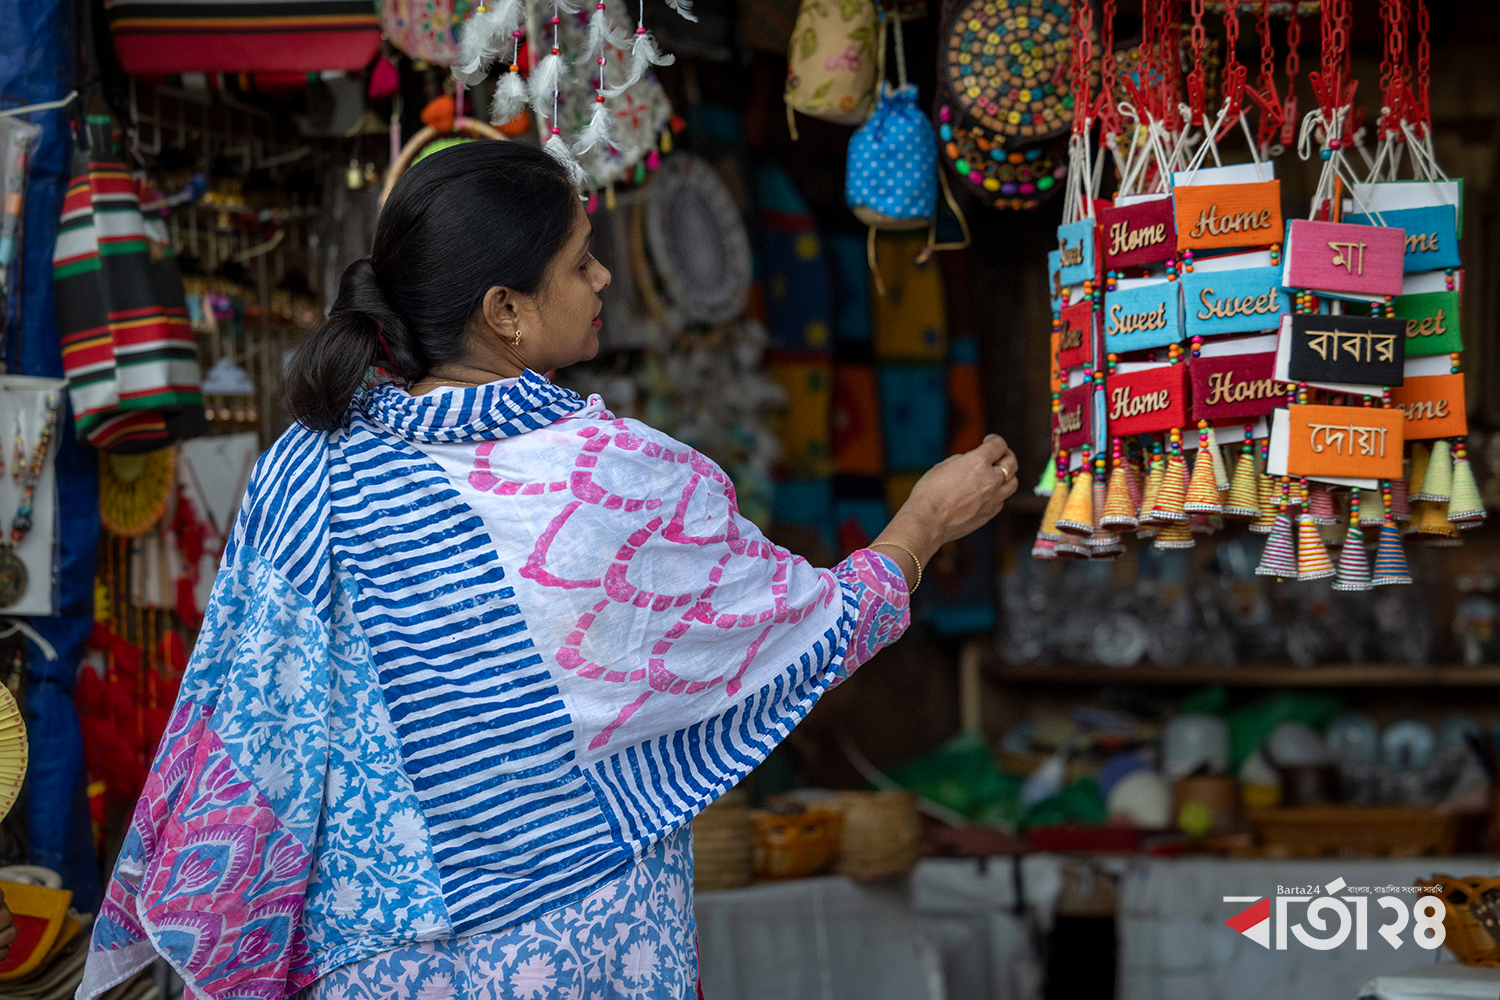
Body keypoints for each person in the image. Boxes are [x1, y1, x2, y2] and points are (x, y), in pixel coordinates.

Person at [77, 141, 1017, 1000]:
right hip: (578, 959)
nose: (605, 276)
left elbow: (241, 733)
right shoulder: (615, 482)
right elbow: (812, 626)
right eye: (580, 261)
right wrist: (926, 522)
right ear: (506, 314)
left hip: (367, 965)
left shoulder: (306, 462)